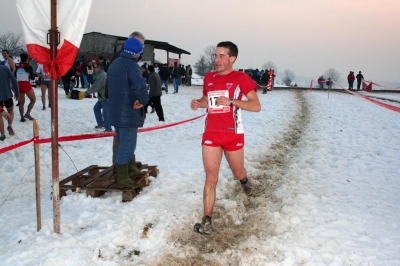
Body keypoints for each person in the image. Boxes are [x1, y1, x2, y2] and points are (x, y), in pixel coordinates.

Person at [190, 41, 261, 235]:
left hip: (232, 135)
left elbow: (256, 105)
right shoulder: (209, 77)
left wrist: (232, 101)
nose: (217, 60)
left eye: (222, 56)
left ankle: (245, 182)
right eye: (216, 55)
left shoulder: (241, 78)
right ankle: (207, 219)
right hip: (211, 133)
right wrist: (199, 103)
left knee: (238, 173)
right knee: (211, 177)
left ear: (232, 59)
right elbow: (207, 99)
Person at [107, 36, 149, 188]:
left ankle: (130, 170)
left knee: (124, 142)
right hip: (128, 112)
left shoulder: (115, 63)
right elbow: (141, 87)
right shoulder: (131, 66)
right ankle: (122, 178)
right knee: (127, 145)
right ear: (136, 53)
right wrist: (143, 100)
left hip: (116, 111)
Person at [84, 62, 111, 132]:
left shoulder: (102, 76)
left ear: (99, 68)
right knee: (96, 108)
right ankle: (101, 124)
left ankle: (108, 128)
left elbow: (96, 86)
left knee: (105, 113)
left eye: (95, 67)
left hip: (106, 97)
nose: (93, 69)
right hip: (102, 97)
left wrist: (86, 93)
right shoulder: (100, 75)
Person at [16, 53, 36, 122]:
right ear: (27, 59)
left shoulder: (18, 66)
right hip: (26, 84)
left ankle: (22, 117)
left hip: (19, 84)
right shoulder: (28, 66)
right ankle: (27, 113)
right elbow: (33, 77)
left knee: (21, 102)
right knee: (33, 100)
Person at [0, 65, 19, 137]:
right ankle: (10, 126)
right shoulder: (4, 68)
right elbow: (14, 79)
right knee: (10, 110)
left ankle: (2, 134)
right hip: (7, 94)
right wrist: (17, 92)